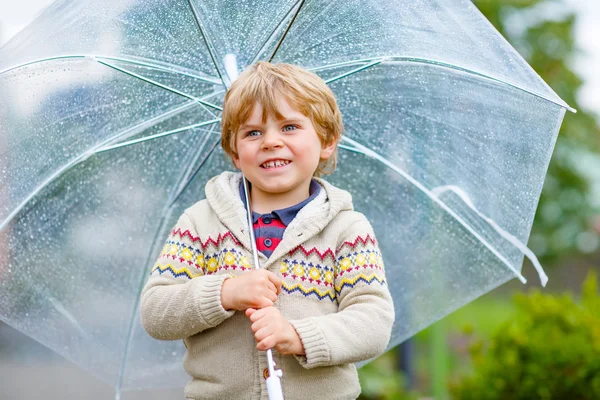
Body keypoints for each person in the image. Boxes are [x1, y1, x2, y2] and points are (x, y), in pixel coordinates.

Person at [140, 61, 395, 400]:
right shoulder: (201, 223)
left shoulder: (347, 230)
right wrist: (224, 293)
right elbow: (157, 311)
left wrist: (298, 335)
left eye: (289, 127)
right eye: (253, 132)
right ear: (234, 151)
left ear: (327, 141)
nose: (271, 142)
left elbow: (372, 322)